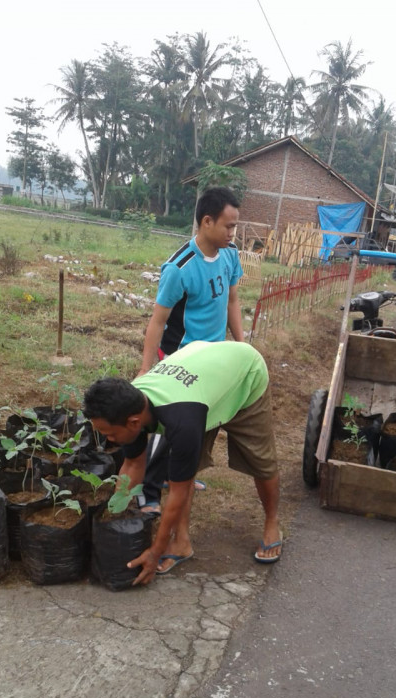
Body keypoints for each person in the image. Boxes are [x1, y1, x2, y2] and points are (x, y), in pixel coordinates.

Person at [83, 340, 281, 585]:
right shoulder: (129, 404)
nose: (107, 439)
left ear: (134, 422)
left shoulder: (182, 420)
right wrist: (114, 515)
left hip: (244, 374)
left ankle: (272, 521)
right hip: (200, 378)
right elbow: (133, 464)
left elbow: (176, 492)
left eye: (109, 433)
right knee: (186, 466)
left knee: (260, 460)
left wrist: (155, 551)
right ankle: (181, 543)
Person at [137, 186, 245, 514]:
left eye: (235, 226)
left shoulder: (230, 254)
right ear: (207, 222)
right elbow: (158, 322)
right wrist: (146, 368)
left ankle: (181, 475)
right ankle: (149, 493)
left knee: (199, 424)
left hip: (212, 359)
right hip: (179, 357)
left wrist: (240, 346)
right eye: (229, 226)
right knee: (169, 425)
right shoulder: (179, 267)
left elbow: (233, 300)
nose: (233, 233)